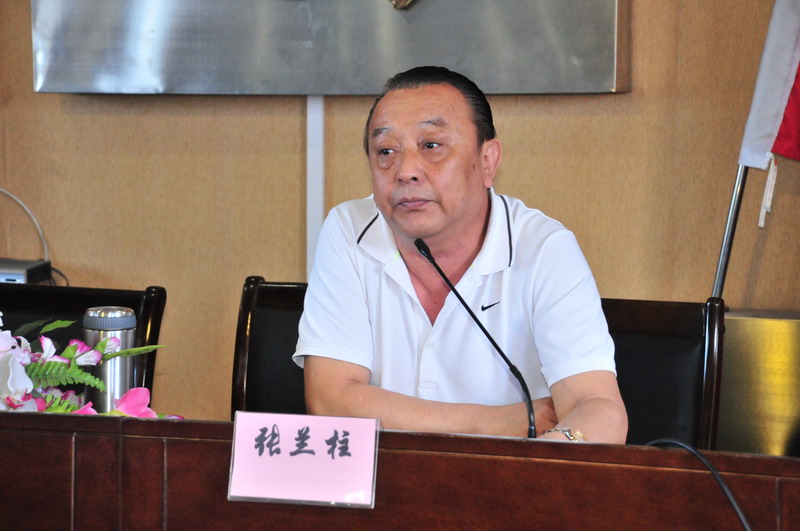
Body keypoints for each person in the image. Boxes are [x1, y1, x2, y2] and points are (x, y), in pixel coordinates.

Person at [293, 66, 627, 443]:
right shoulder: (349, 230)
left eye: (431, 146)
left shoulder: (544, 248)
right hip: (384, 477)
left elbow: (596, 405)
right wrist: (494, 424)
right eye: (386, 151)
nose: (406, 171)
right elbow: (330, 400)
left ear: (487, 161)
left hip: (510, 476)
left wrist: (538, 463)